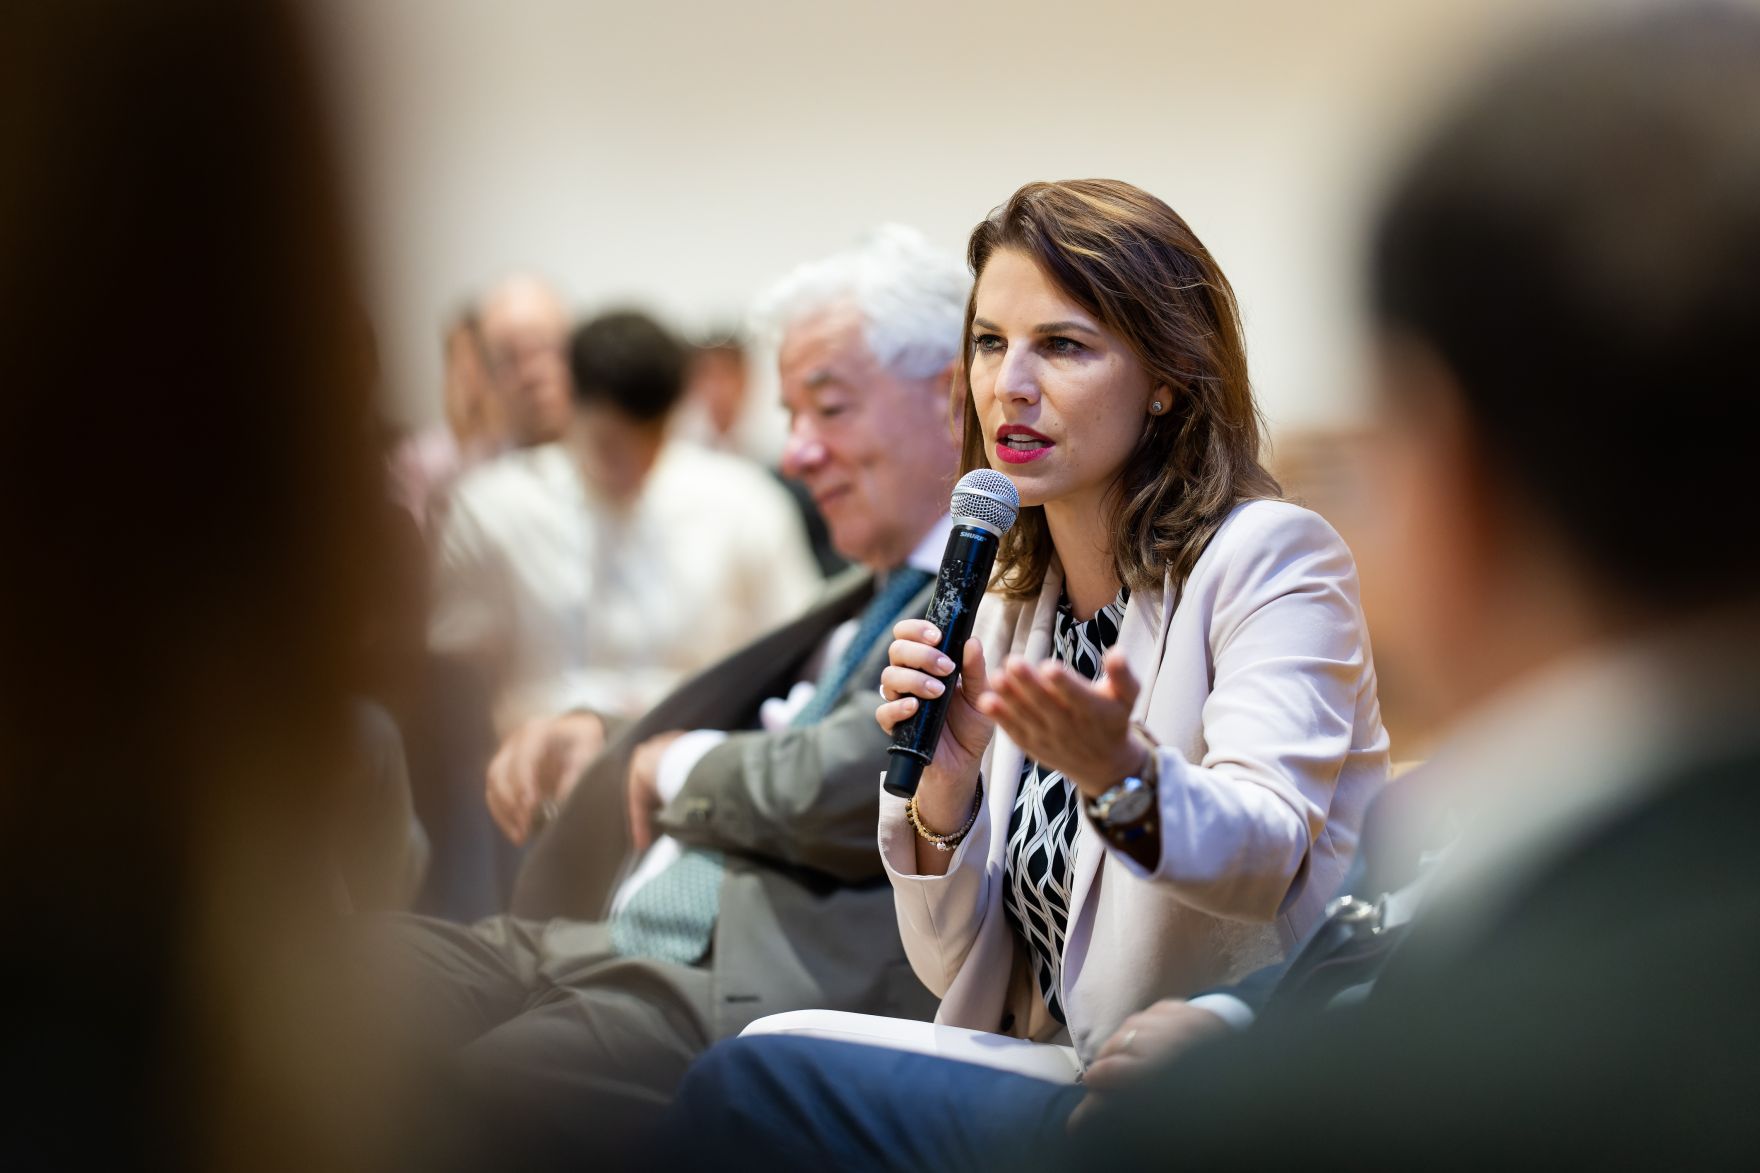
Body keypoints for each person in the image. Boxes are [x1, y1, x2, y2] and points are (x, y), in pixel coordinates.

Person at [650, 180, 1390, 1167]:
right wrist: (942, 799)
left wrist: (1121, 778)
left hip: (1224, 1087)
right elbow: (959, 968)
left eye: (1063, 345)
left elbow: (1265, 860)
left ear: (1167, 377)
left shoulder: (1270, 560)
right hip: (1052, 1067)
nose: (1010, 385)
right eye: (990, 343)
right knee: (754, 1063)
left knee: (750, 1083)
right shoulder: (1007, 599)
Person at [391, 226, 970, 1164]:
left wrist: (672, 765)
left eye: (829, 409)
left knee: (465, 1100)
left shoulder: (991, 582)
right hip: (606, 928)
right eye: (791, 416)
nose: (798, 451)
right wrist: (604, 735)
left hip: (731, 971)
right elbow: (766, 730)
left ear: (952, 401)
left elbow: (864, 771)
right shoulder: (862, 589)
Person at [427, 308, 821, 734]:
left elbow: (797, 648)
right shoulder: (494, 509)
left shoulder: (743, 501)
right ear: (570, 404)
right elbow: (456, 684)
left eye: (651, 441)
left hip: (698, 765)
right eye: (609, 444)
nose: (632, 465)